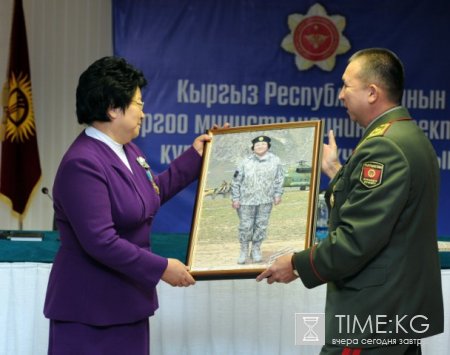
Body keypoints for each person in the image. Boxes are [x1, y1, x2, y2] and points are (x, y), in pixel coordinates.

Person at [256, 48, 444, 354]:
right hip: (395, 315)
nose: (340, 95)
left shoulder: (384, 147)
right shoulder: (406, 135)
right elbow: (381, 211)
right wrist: (336, 171)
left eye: (346, 85)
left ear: (372, 93)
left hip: (372, 316)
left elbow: (356, 240)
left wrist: (296, 263)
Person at [43, 56, 214, 354]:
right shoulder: (82, 162)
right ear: (112, 108)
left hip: (127, 305)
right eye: (138, 104)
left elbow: (150, 194)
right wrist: (162, 267)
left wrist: (196, 156)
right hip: (90, 315)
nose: (143, 113)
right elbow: (101, 241)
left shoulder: (128, 150)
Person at [231, 135, 284, 264]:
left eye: (263, 144)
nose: (260, 147)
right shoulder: (245, 161)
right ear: (253, 147)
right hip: (246, 201)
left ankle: (256, 249)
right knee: (245, 227)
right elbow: (236, 181)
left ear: (268, 146)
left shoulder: (276, 161)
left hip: (265, 200)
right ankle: (244, 251)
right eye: (257, 145)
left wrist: (278, 194)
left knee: (261, 226)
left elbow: (279, 179)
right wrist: (235, 198)